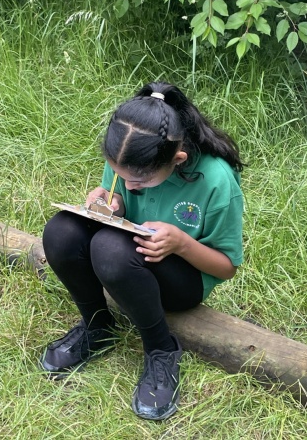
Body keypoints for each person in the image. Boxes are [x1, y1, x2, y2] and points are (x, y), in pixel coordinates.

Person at [39, 81, 245, 421]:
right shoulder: (129, 152)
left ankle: (161, 349)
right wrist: (110, 204)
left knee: (108, 248)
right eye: (120, 175)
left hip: (181, 280)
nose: (128, 184)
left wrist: (182, 243)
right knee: (61, 231)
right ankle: (97, 326)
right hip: (127, 259)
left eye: (138, 182)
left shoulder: (216, 180)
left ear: (177, 160)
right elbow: (117, 195)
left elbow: (227, 267)